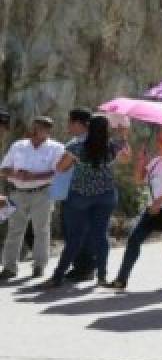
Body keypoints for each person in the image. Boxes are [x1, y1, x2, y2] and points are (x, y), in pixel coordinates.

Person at [49, 115, 130, 286]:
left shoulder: (75, 147)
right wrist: (123, 136)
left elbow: (60, 167)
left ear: (89, 128)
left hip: (80, 196)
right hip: (106, 196)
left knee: (75, 238)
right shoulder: (112, 147)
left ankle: (57, 276)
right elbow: (125, 159)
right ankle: (102, 276)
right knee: (101, 236)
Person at [109, 129, 162, 291]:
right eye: (158, 140)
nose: (157, 144)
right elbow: (139, 180)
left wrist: (160, 200)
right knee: (133, 240)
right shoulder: (155, 162)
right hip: (152, 210)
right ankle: (121, 279)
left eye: (161, 141)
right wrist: (141, 162)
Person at [0, 116, 64, 280]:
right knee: (14, 230)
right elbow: (4, 169)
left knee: (41, 230)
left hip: (42, 193)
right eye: (36, 127)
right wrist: (15, 174)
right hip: (18, 192)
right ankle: (9, 267)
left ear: (48, 131)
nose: (37, 131)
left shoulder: (56, 148)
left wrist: (34, 176)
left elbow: (57, 172)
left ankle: (39, 266)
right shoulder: (18, 146)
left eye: (42, 128)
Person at [51, 108, 95, 281]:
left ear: (78, 123)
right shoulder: (95, 141)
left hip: (76, 193)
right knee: (85, 231)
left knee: (74, 232)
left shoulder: (77, 144)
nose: (68, 125)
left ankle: (82, 269)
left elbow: (62, 166)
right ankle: (85, 267)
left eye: (70, 122)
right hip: (88, 193)